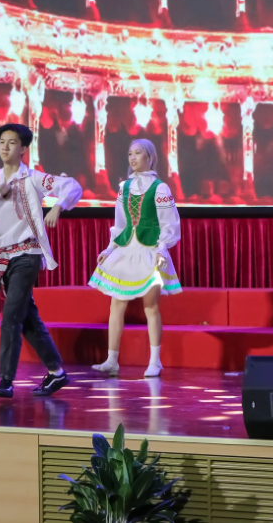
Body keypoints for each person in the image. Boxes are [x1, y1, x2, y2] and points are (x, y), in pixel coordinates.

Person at [0, 123, 82, 398]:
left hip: (28, 255)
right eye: (2, 142)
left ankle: (5, 380)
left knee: (10, 318)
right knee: (27, 319)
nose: (5, 147)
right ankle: (57, 373)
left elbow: (72, 186)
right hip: (5, 260)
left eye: (11, 143)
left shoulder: (32, 179)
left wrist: (57, 206)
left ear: (23, 149)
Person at [88, 139, 181, 378]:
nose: (132, 158)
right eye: (130, 153)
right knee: (116, 305)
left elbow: (169, 224)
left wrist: (162, 250)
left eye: (138, 153)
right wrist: (109, 249)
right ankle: (111, 360)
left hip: (149, 250)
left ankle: (155, 361)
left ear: (149, 156)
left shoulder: (160, 188)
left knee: (151, 307)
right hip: (126, 249)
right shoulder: (124, 187)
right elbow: (120, 223)